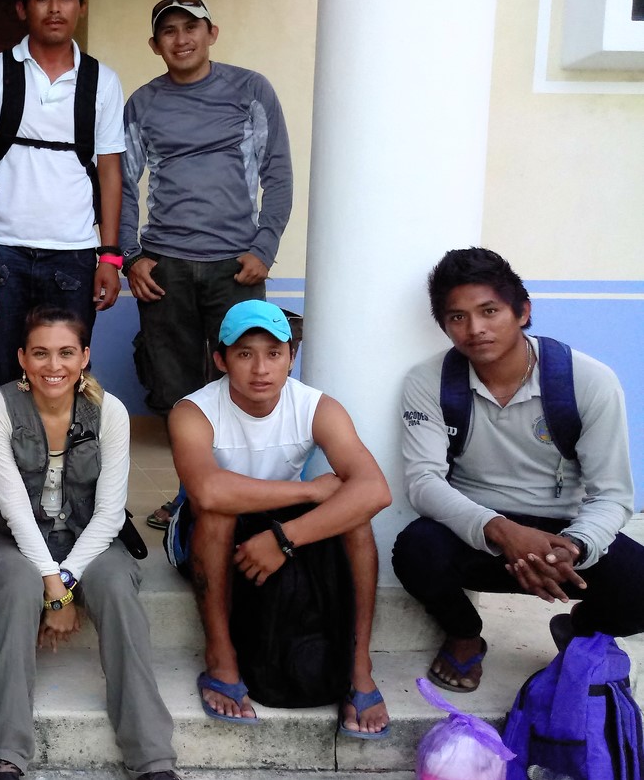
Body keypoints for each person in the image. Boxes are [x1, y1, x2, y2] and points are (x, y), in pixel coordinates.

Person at [396, 247, 642, 692]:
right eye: (457, 317)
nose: (475, 328)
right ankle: (465, 634)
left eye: (489, 311)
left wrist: (575, 546)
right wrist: (502, 531)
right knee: (416, 551)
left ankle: (581, 627)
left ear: (523, 312)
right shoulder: (428, 381)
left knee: (639, 586)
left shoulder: (588, 381)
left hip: (561, 536)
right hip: (480, 533)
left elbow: (613, 495)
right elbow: (424, 482)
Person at [0, 306, 177, 780]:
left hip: (89, 537)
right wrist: (54, 589)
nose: (53, 365)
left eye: (66, 353)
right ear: (22, 357)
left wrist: (63, 581)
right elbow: (15, 511)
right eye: (40, 353)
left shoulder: (110, 411)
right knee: (17, 586)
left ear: (84, 357)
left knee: (116, 587)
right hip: (10, 539)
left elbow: (109, 515)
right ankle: (4, 753)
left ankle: (152, 757)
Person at [169, 300, 391, 737]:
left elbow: (375, 491)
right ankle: (221, 658)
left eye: (274, 353)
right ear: (221, 360)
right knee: (217, 512)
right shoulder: (194, 410)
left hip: (282, 529)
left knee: (356, 518)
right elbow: (208, 491)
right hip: (205, 532)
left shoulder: (316, 406)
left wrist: (285, 537)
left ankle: (358, 664)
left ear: (291, 357)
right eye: (245, 354)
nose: (261, 369)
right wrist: (310, 491)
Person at [120, 0, 292, 531]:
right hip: (164, 267)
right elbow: (122, 183)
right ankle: (187, 497)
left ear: (211, 33)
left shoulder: (250, 90)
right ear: (155, 45)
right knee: (173, 391)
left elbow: (278, 172)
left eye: (191, 27)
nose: (182, 39)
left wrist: (264, 248)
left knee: (244, 383)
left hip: (235, 268)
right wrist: (130, 257)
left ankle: (244, 492)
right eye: (169, 31)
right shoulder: (143, 103)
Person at [0, 0, 127, 392]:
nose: (55, 8)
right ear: (23, 9)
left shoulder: (102, 81)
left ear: (82, 7)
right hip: (2, 250)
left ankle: (59, 441)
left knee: (63, 376)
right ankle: (0, 443)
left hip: (73, 253)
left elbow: (110, 172)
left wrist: (110, 256)